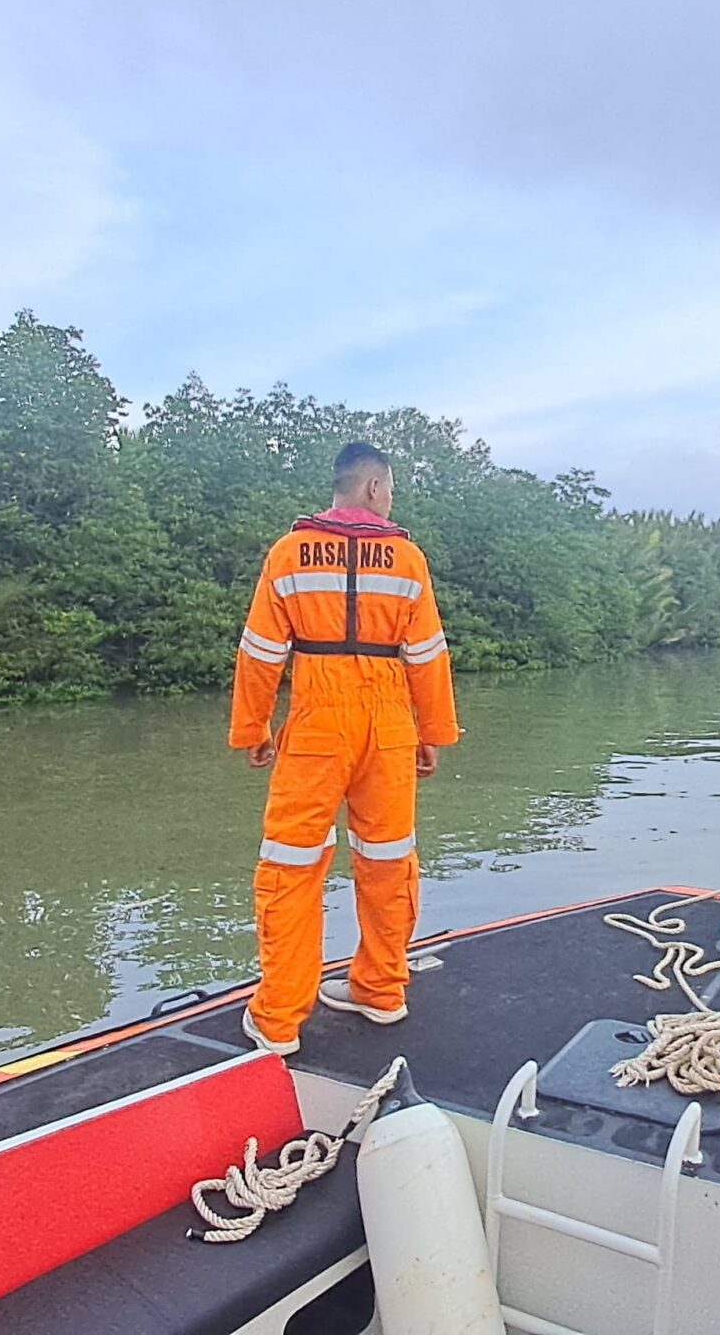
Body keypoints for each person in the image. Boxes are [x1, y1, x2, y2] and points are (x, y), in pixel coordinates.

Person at [231, 441, 461, 1055]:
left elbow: (259, 653)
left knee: (291, 866)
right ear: (372, 489)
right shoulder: (407, 560)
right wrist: (433, 732)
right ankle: (382, 990)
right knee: (388, 862)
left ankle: (278, 1020)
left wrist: (252, 728)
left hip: (314, 726)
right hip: (388, 728)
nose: (390, 500)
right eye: (390, 489)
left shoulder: (288, 554)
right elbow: (428, 656)